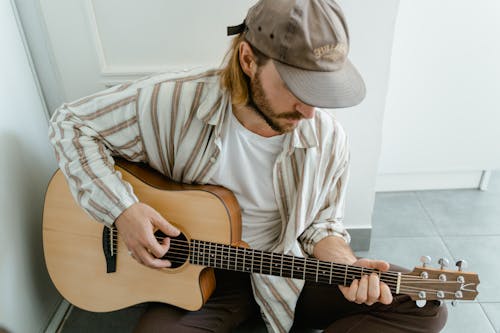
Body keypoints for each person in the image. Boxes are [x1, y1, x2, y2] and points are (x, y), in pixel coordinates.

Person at [48, 0, 447, 332]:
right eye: (296, 87)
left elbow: (321, 226)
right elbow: (71, 124)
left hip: (283, 270)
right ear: (247, 58)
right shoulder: (172, 103)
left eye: (321, 91)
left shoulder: (327, 139)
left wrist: (346, 265)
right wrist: (123, 211)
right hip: (198, 279)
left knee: (426, 308)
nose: (309, 111)